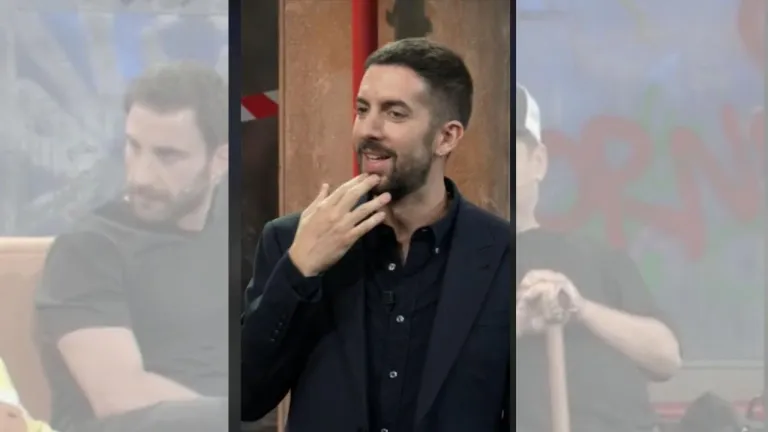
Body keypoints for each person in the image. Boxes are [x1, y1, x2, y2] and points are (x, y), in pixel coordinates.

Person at [241, 38, 511, 432]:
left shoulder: (506, 256)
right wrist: (298, 272)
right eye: (362, 109)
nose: (369, 130)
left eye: (395, 113)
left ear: (447, 137)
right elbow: (247, 397)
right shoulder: (291, 241)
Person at [34, 62, 229, 432]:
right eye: (134, 147)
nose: (141, 175)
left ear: (220, 159)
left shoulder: (235, 234)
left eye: (167, 156)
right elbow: (120, 396)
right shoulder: (89, 249)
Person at [514, 82, 683, 432]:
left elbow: (666, 357)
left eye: (506, 148)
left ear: (538, 161)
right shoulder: (444, 263)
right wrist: (515, 323)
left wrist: (580, 308)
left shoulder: (595, 256)